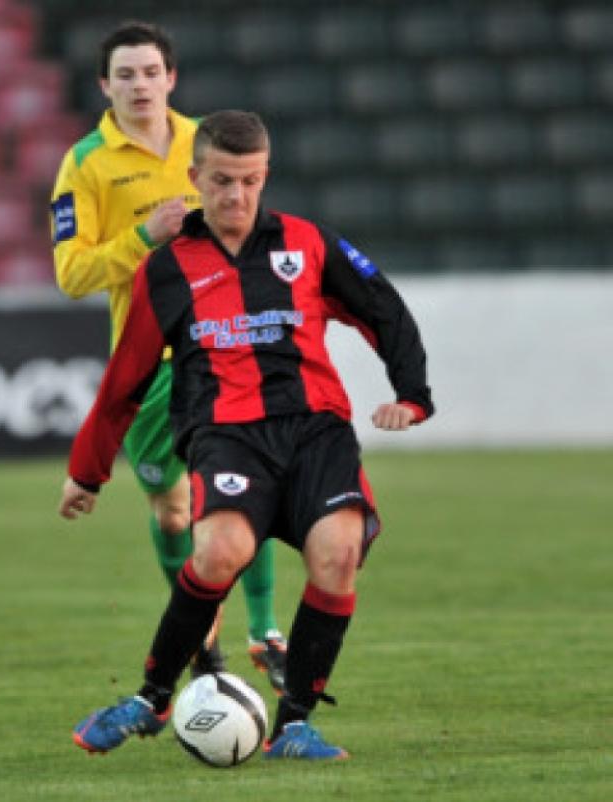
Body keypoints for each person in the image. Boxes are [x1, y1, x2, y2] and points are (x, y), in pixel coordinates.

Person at [58, 110, 434, 760]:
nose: (237, 196)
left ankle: (292, 725)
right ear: (196, 176)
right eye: (224, 180)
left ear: (265, 177)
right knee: (220, 550)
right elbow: (126, 377)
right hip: (226, 434)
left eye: (251, 180)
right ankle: (151, 699)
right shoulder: (166, 269)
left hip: (316, 430)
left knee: (339, 556)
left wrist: (412, 395)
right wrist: (87, 470)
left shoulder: (306, 243)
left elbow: (383, 305)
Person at [49, 22, 286, 689]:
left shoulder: (205, 139)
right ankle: (204, 637)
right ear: (105, 85)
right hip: (150, 362)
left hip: (223, 347)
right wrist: (142, 237)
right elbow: (72, 274)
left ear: (171, 78)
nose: (140, 85)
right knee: (175, 509)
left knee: (247, 489)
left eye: (150, 72)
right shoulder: (86, 163)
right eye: (125, 75)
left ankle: (266, 630)